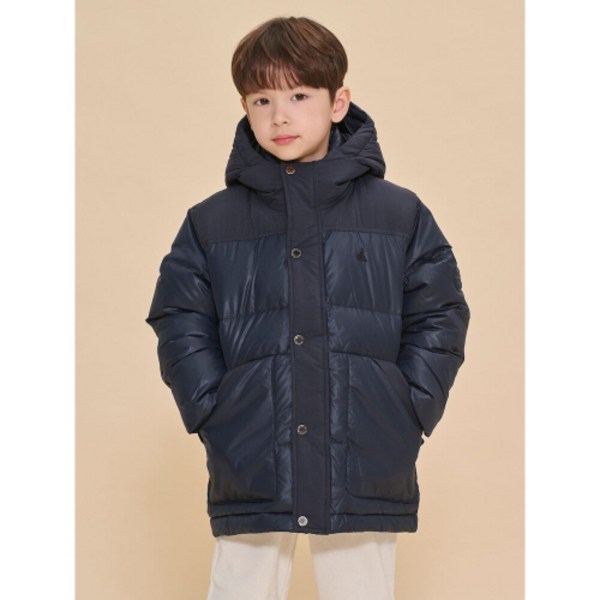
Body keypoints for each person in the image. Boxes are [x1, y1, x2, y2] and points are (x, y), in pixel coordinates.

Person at [145, 15, 470, 600]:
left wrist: (407, 406)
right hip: (251, 443)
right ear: (245, 108)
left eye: (299, 95)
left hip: (365, 444)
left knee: (360, 589)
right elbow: (179, 316)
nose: (280, 116)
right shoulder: (211, 222)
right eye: (262, 99)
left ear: (338, 102)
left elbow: (440, 313)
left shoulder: (399, 215)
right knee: (241, 587)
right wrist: (213, 407)